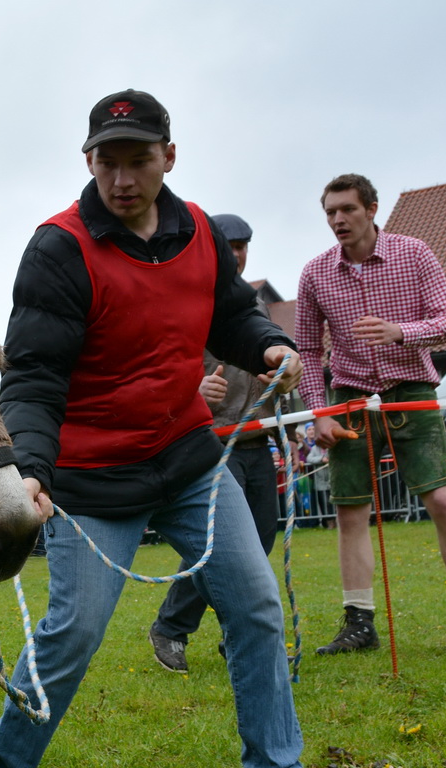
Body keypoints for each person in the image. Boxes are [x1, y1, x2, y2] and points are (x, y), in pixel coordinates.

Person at [0, 89, 351, 768]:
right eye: (106, 161)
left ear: (168, 158)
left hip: (188, 462)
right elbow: (35, 377)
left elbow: (229, 315)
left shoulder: (199, 230)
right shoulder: (59, 249)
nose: (121, 178)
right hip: (89, 480)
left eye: (137, 159)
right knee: (72, 631)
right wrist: (32, 468)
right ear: (88, 162)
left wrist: (268, 344)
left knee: (255, 605)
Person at [295, 174, 446, 656]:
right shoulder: (314, 273)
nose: (338, 220)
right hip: (348, 395)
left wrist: (399, 332)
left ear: (371, 208)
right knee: (349, 511)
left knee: (444, 502)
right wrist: (319, 414)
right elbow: (306, 347)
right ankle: (359, 623)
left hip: (411, 389)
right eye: (330, 212)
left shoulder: (414, 253)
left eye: (347, 209)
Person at [147, 213, 286, 674]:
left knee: (260, 540)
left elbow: (278, 372)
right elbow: (159, 376)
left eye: (244, 244)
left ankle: (235, 633)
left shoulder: (256, 311)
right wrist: (192, 393)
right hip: (208, 446)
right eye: (230, 245)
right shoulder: (186, 304)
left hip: (255, 439)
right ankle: (172, 627)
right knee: (216, 547)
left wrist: (284, 384)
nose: (239, 253)